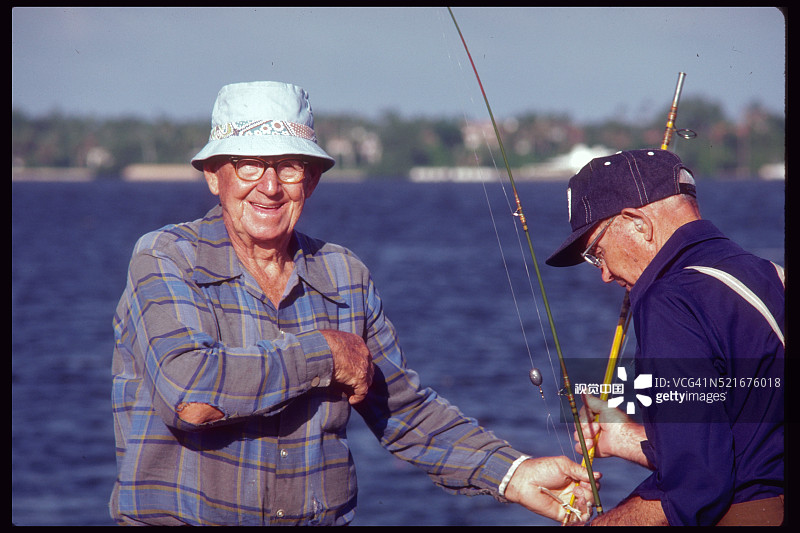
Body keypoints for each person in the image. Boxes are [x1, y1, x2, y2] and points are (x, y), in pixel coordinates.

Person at [109, 81, 598, 526]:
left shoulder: (344, 275)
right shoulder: (165, 256)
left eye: (290, 166)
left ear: (314, 179)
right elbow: (192, 395)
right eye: (249, 165)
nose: (271, 186)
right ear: (214, 176)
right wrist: (327, 353)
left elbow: (404, 411)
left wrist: (513, 473)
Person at [545, 149, 784, 526]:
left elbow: (695, 487)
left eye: (596, 252)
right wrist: (627, 438)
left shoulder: (669, 300)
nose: (604, 274)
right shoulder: (767, 275)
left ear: (638, 223)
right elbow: (744, 441)